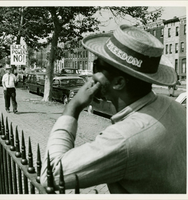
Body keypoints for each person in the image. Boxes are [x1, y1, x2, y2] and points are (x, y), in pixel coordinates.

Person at [40, 25, 186, 193]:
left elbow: (50, 175)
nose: (92, 75)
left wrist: (72, 108)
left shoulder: (123, 138)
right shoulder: (177, 108)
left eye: (97, 67)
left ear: (119, 83)